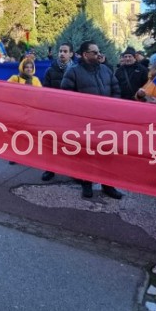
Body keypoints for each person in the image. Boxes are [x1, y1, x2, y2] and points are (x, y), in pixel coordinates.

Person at [61, 40, 124, 200]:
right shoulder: (73, 71)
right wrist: (84, 111)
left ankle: (108, 185)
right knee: (86, 155)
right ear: (85, 54)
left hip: (106, 121)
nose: (99, 54)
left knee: (107, 154)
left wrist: (111, 109)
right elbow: (66, 96)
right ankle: (86, 184)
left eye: (98, 51)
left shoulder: (106, 70)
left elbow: (116, 89)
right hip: (85, 123)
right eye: (94, 52)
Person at [39, 42, 76, 181]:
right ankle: (50, 169)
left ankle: (73, 171)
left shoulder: (76, 70)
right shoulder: (50, 70)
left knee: (72, 143)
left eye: (65, 51)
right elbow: (45, 92)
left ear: (71, 54)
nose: (62, 53)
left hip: (71, 113)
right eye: (60, 51)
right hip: (55, 113)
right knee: (52, 142)